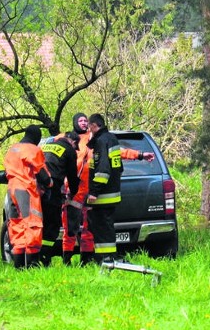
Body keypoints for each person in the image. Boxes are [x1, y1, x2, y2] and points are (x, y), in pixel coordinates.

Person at [61, 112, 154, 266]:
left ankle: (87, 260)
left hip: (92, 190)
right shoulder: (67, 139)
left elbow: (118, 153)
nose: (84, 123)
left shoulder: (96, 140)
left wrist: (139, 155)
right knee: (70, 227)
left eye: (86, 121)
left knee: (90, 228)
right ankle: (67, 260)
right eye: (81, 120)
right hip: (74, 190)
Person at [4, 125, 53, 269]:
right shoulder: (33, 150)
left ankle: (19, 264)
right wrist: (50, 183)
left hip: (11, 189)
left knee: (16, 224)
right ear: (36, 137)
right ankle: (32, 263)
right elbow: (41, 172)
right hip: (26, 189)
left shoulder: (12, 149)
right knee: (33, 224)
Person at [86, 113, 123, 264]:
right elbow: (119, 167)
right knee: (107, 226)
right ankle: (109, 257)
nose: (89, 131)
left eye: (90, 127)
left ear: (95, 126)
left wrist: (94, 191)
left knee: (101, 227)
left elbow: (103, 170)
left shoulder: (101, 141)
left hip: (103, 195)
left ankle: (104, 259)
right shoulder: (112, 139)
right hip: (112, 192)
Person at [39, 132, 80, 266]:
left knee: (38, 223)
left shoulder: (47, 145)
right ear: (73, 142)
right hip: (52, 188)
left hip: (35, 188)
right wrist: (73, 192)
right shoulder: (69, 150)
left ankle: (33, 256)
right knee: (52, 224)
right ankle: (44, 258)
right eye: (76, 146)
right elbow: (72, 175)